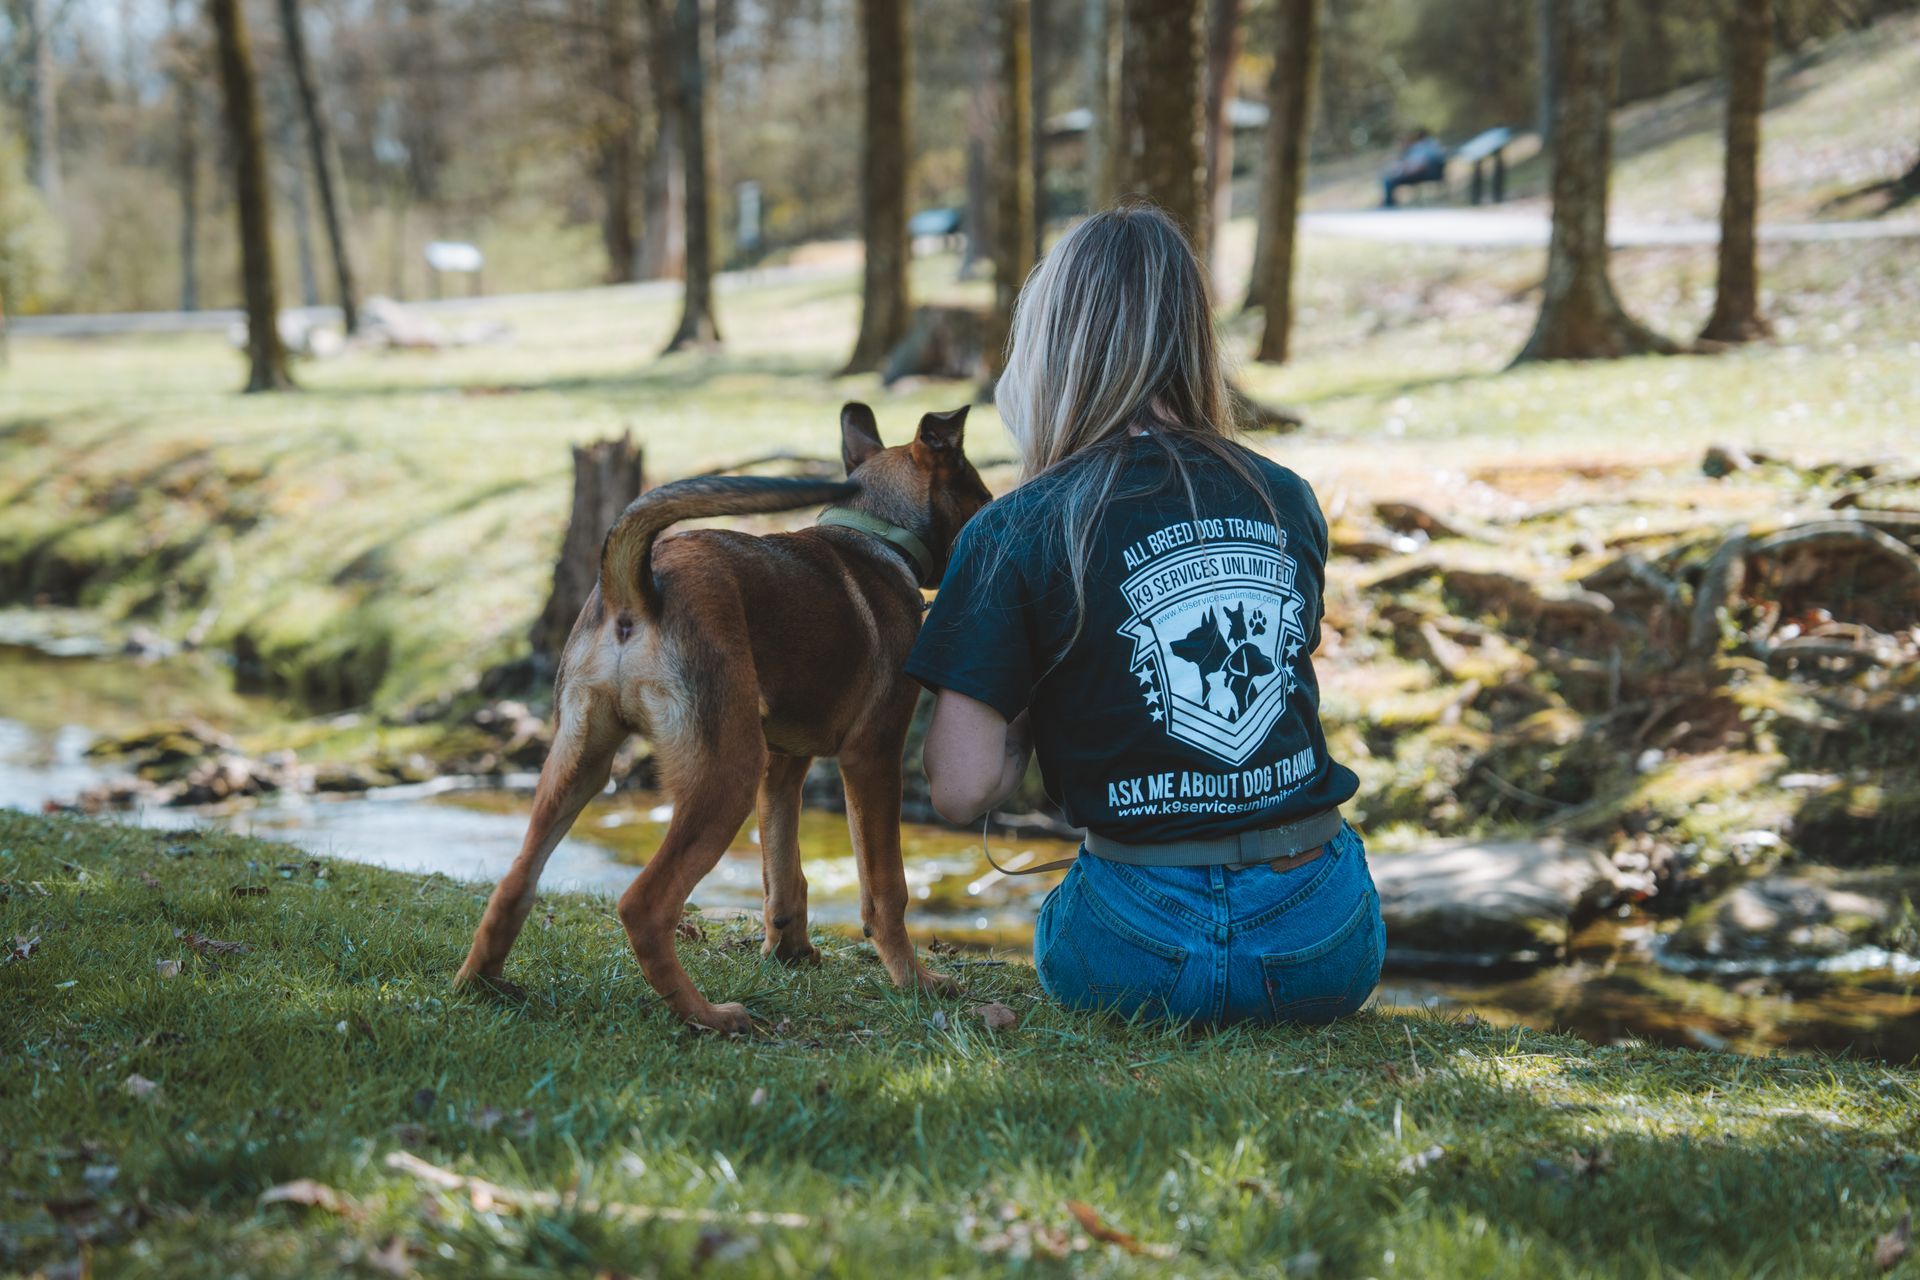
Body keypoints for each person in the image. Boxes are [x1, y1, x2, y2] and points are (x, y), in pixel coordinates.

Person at [906, 203, 1382, 1025]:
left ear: (1056, 344)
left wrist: (1026, 690)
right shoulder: (1286, 497)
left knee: (1068, 920)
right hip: (1326, 940)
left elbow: (960, 788)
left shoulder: (1019, 527)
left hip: (1140, 953)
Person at [1381, 129, 1447, 207]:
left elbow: (1420, 166)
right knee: (1389, 178)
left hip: (1422, 175)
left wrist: (1406, 172)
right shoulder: (1433, 145)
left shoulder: (1424, 147)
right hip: (1425, 174)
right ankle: (1389, 202)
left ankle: (1389, 204)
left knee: (1389, 180)